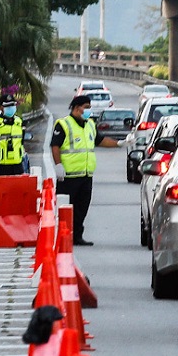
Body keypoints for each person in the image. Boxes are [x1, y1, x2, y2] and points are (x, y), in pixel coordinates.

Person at [50, 94, 121, 246]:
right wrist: (58, 165)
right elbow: (55, 145)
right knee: (66, 208)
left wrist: (120, 144)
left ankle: (77, 236)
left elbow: (100, 140)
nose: (89, 111)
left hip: (86, 175)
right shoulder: (63, 124)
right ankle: (63, 236)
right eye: (86, 107)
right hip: (68, 176)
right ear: (76, 108)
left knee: (82, 208)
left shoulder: (90, 124)